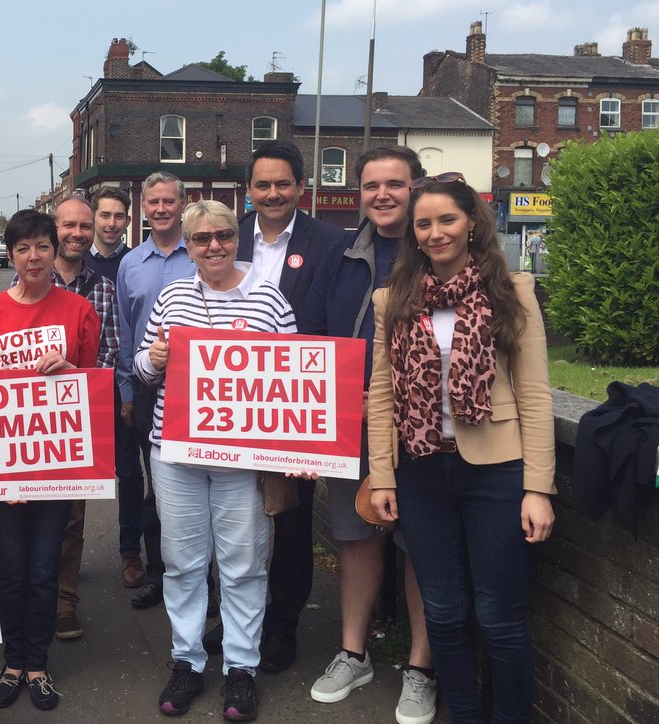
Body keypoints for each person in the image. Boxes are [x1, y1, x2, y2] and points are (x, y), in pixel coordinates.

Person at [368, 173, 556, 723]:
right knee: (445, 616)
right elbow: (383, 395)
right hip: (423, 472)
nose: (435, 232)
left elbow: (537, 394)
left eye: (446, 219)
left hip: (496, 473)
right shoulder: (392, 299)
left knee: (499, 616)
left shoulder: (512, 291)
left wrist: (538, 488)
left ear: (471, 221)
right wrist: (383, 475)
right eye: (423, 223)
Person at [135, 200, 295, 721]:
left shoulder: (268, 298)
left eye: (223, 235)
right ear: (189, 244)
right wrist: (152, 360)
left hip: (241, 456)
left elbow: (295, 379)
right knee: (182, 562)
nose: (214, 247)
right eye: (202, 239)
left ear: (236, 237)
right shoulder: (173, 294)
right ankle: (187, 661)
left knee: (243, 563)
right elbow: (141, 368)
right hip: (175, 451)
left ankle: (241, 670)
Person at [298, 147, 436, 723]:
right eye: (371, 184)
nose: (382, 194)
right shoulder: (340, 254)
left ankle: (421, 668)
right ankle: (353, 652)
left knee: (422, 547)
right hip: (350, 427)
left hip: (424, 431)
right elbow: (312, 337)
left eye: (395, 185)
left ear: (415, 188)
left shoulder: (438, 253)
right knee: (357, 537)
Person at [0, 209, 100, 712]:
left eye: (43, 246)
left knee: (45, 567)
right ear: (11, 255)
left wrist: (69, 371)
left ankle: (38, 664)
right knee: (13, 569)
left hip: (56, 463)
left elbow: (91, 383)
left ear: (55, 249)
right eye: (23, 249)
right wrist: (5, 470)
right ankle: (12, 661)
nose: (34, 257)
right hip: (4, 466)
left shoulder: (79, 310)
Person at [235, 140, 346, 672]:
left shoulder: (330, 242)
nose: (272, 193)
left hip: (294, 403)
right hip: (228, 402)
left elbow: (335, 322)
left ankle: (282, 626)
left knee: (292, 520)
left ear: (300, 188)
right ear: (249, 190)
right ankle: (238, 621)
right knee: (231, 515)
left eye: (283, 184)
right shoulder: (224, 235)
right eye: (263, 184)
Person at [115, 172, 197, 610]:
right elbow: (127, 335)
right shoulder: (130, 263)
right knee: (158, 486)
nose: (162, 209)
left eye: (169, 200)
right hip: (148, 388)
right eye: (154, 202)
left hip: (201, 389)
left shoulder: (201, 251)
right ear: (143, 207)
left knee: (205, 483)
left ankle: (206, 579)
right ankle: (161, 574)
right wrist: (127, 391)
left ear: (182, 203)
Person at [46, 196, 121, 639]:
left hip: (78, 420)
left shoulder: (104, 289)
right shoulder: (27, 278)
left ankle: (64, 602)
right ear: (54, 228)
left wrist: (79, 375)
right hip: (27, 421)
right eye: (68, 225)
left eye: (85, 226)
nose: (77, 233)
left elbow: (111, 354)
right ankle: (31, 596)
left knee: (72, 517)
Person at [83, 186, 145, 589]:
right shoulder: (72, 259)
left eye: (118, 216)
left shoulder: (134, 262)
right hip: (70, 390)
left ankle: (130, 552)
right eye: (103, 215)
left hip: (121, 384)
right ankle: (64, 556)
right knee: (71, 473)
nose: (110, 223)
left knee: (128, 472)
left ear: (127, 219)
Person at [84, 185, 132, 281]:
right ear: (92, 218)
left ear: (127, 221)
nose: (112, 224)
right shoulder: (77, 260)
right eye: (105, 215)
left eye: (119, 216)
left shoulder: (136, 263)